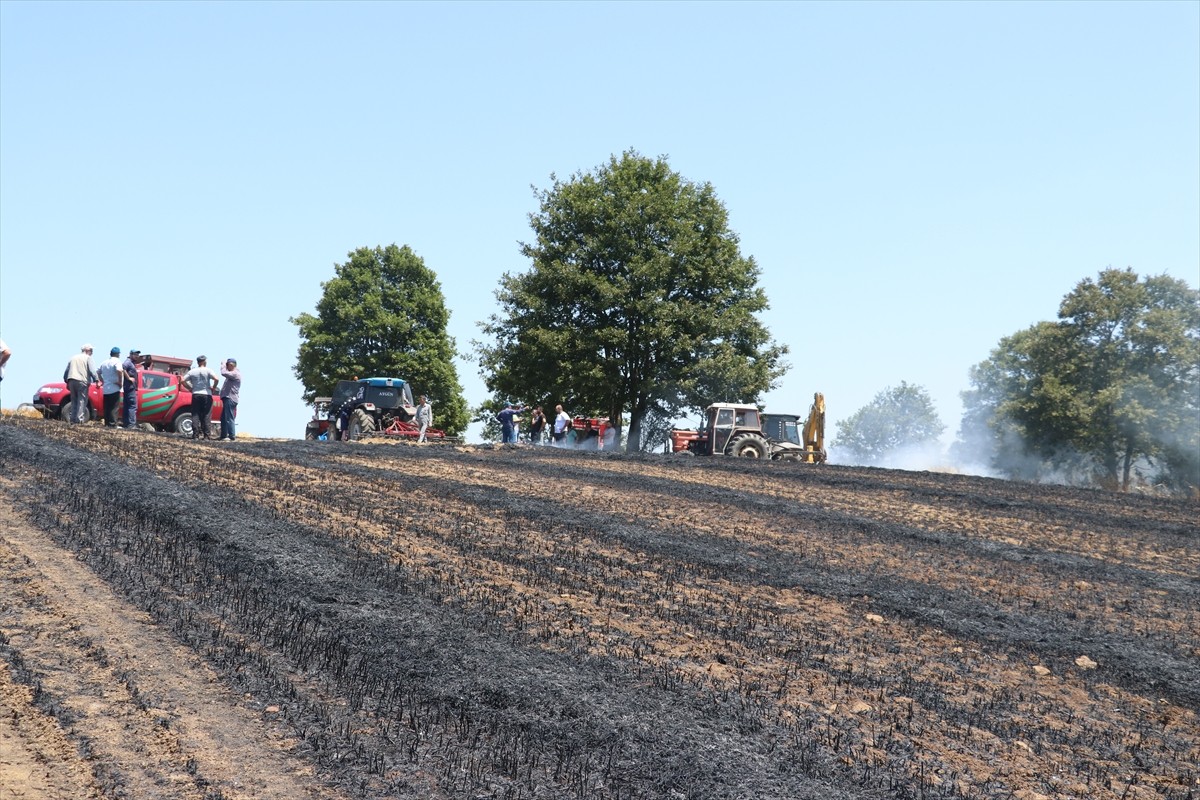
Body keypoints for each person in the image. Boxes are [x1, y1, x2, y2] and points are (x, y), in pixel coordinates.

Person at [181, 355, 220, 439]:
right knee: (207, 415)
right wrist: (213, 387)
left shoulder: (192, 371)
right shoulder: (208, 370)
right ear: (204, 361)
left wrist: (190, 388)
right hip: (207, 394)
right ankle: (206, 435)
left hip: (196, 394)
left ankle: (195, 435)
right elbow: (216, 379)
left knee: (195, 414)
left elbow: (182, 380)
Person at [63, 344, 97, 424]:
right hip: (82, 381)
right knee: (82, 400)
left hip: (71, 380)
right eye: (91, 350)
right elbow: (92, 371)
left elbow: (66, 371)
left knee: (74, 399)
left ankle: (72, 419)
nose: (92, 352)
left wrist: (66, 380)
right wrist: (97, 379)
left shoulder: (73, 358)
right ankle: (79, 419)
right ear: (87, 350)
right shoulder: (88, 358)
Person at [96, 347, 124, 428]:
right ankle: (112, 424)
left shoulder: (104, 362)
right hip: (114, 387)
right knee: (114, 407)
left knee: (107, 407)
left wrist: (101, 380)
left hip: (106, 388)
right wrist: (119, 381)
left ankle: (107, 423)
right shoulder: (117, 361)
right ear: (118, 354)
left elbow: (97, 371)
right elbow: (119, 370)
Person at [218, 358, 241, 441]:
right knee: (224, 417)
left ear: (231, 365)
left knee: (229, 417)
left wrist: (223, 364)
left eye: (228, 365)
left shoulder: (235, 373)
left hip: (230, 398)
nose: (226, 367)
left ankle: (231, 435)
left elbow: (223, 373)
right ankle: (223, 435)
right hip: (228, 398)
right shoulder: (234, 372)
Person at [121, 349, 141, 428]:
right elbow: (122, 368)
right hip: (129, 387)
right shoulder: (128, 362)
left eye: (138, 355)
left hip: (129, 387)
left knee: (127, 406)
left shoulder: (132, 363)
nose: (137, 356)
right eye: (135, 354)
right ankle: (131, 424)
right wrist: (129, 377)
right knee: (132, 406)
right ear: (131, 354)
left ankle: (127, 424)